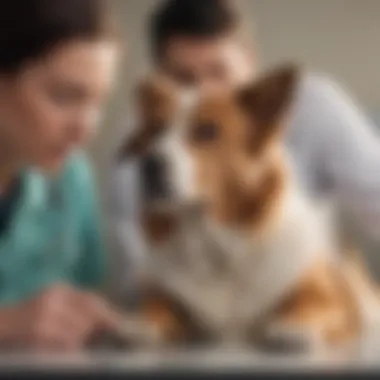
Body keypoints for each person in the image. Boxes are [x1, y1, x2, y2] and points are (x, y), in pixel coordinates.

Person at [108, 0, 380, 301]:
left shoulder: (315, 106)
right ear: (160, 79)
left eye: (218, 72)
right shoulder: (143, 140)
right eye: (184, 80)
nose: (205, 95)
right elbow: (136, 268)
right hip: (193, 316)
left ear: (249, 60)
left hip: (304, 306)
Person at [0, 0, 122, 350]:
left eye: (98, 101)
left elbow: (86, 303)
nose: (86, 129)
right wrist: (7, 323)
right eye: (64, 97)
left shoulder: (74, 179)